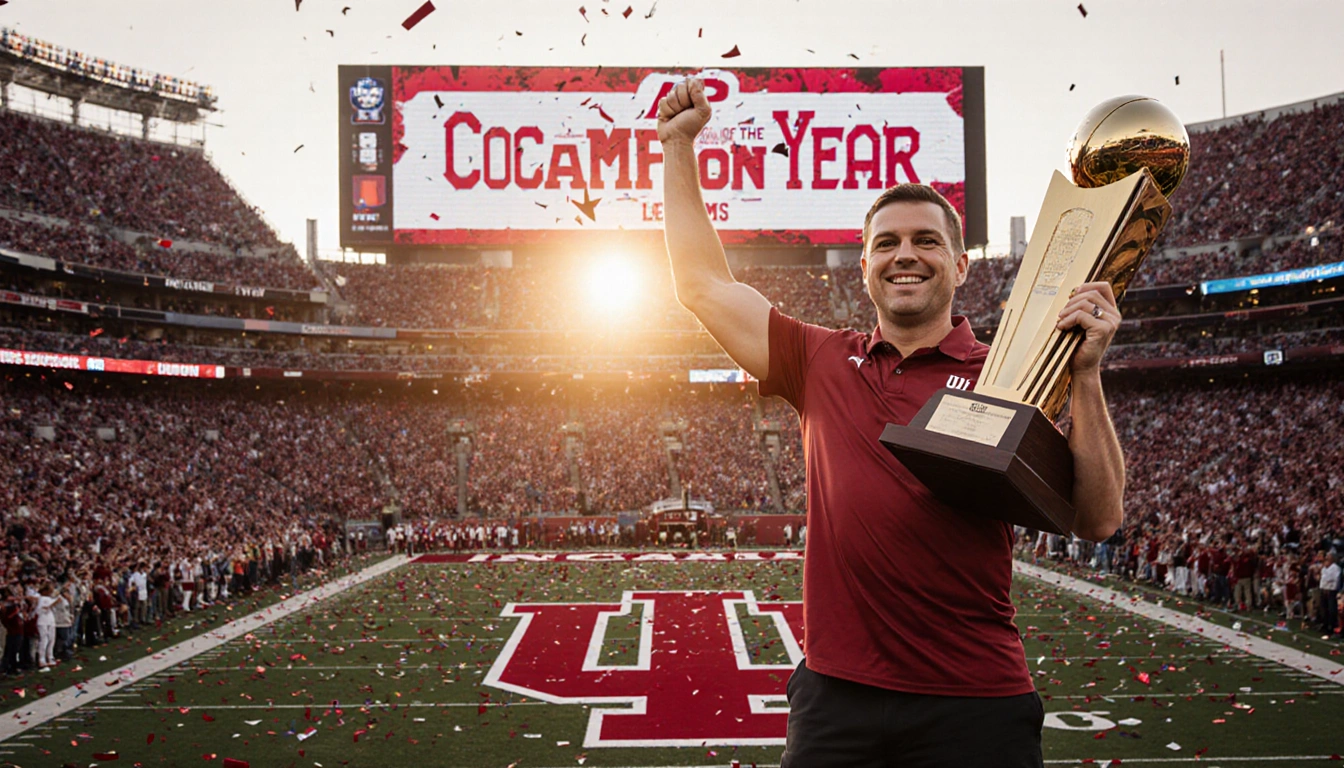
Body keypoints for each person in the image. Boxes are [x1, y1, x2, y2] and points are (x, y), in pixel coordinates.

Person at [658, 77, 1126, 767]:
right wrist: (677, 148)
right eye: (887, 244)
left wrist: (1084, 376)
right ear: (867, 269)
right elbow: (701, 285)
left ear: (962, 265)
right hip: (837, 695)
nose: (905, 254)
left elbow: (1097, 519)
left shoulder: (1013, 372)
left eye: (927, 242)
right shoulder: (816, 358)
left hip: (976, 697)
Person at [1319, 552, 1340, 636]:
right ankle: (1325, 624)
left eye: (1328, 556)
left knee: (1331, 609)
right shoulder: (1325, 568)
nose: (1326, 558)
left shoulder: (1335, 568)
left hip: (1331, 590)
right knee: (1324, 608)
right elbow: (1322, 578)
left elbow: (1331, 579)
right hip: (1323, 589)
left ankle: (1332, 626)